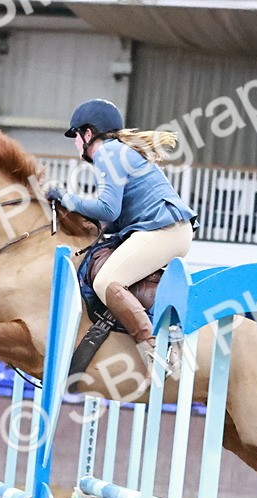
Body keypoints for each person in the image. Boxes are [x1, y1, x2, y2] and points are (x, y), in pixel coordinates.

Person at [45, 99, 194, 374]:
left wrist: (67, 197)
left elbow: (108, 209)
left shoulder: (108, 152)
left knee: (107, 281)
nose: (75, 144)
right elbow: (111, 219)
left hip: (164, 231)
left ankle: (153, 348)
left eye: (76, 136)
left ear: (88, 134)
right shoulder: (117, 151)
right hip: (167, 230)